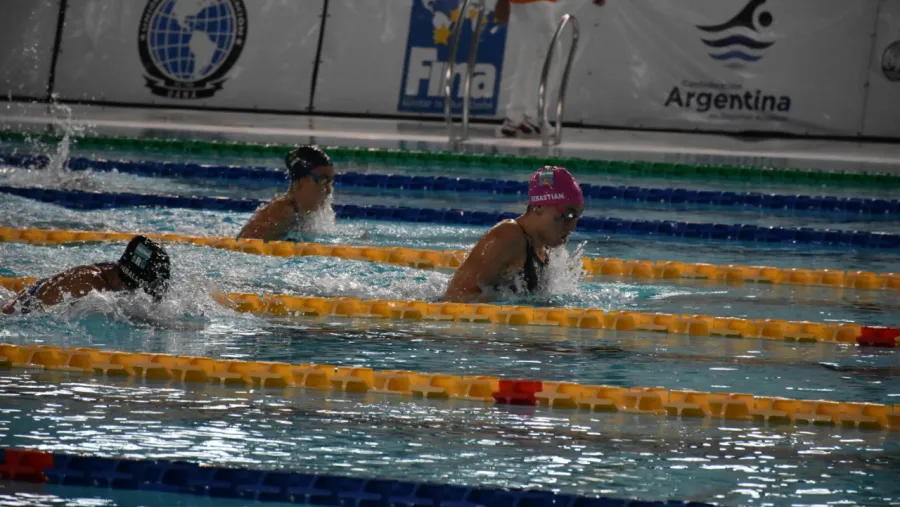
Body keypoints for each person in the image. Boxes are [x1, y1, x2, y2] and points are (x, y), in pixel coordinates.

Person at [443, 166, 584, 302]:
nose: (572, 227)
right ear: (540, 206)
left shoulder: (543, 249)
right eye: (568, 215)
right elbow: (455, 295)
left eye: (577, 217)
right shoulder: (509, 235)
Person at [495, 0, 606, 137]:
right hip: (538, 2)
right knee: (552, 56)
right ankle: (535, 116)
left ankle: (515, 116)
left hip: (520, 3)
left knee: (529, 55)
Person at [2, 235, 171, 315]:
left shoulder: (112, 270)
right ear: (123, 280)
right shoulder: (90, 282)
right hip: (15, 315)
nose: (132, 293)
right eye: (134, 288)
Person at [237, 145, 335, 241]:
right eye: (323, 180)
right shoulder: (282, 213)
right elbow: (244, 244)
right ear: (300, 182)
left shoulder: (300, 211)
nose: (328, 190)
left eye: (330, 182)